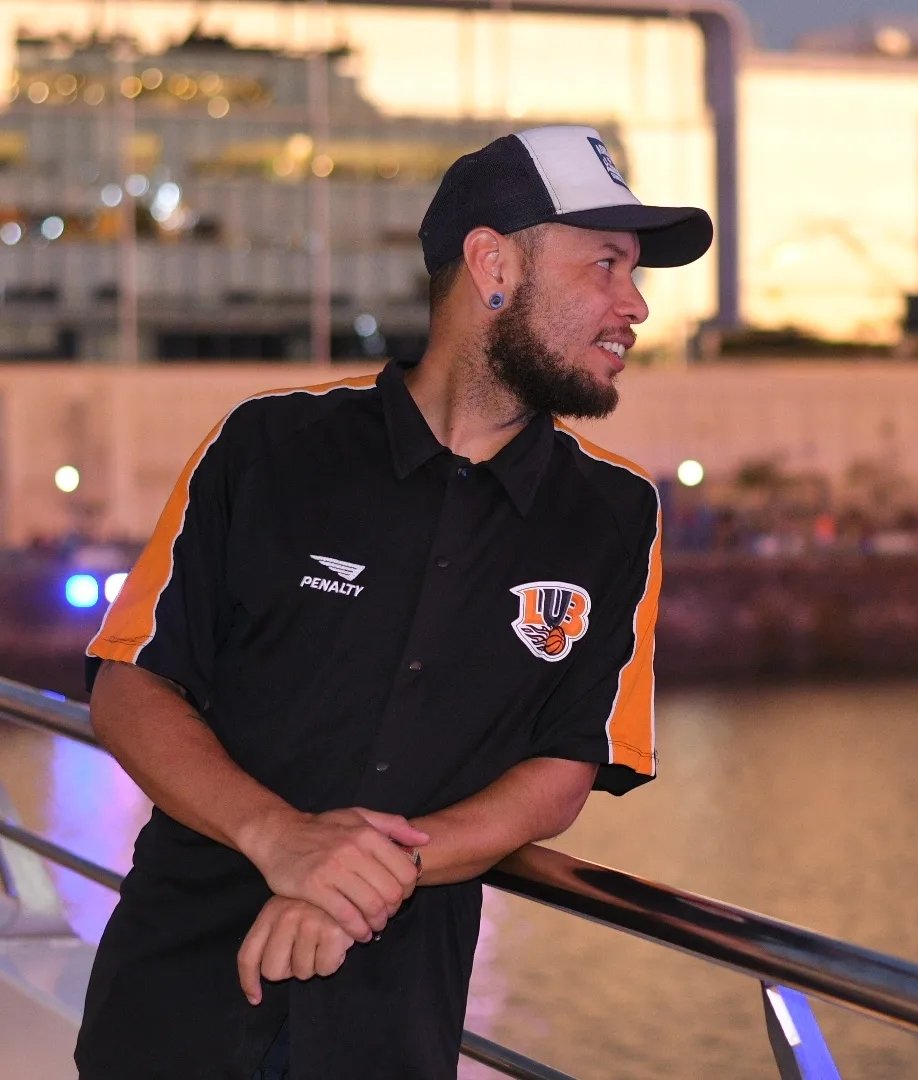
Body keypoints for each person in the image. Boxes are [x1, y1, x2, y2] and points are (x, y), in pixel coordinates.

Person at [76, 124, 713, 1079]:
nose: (636, 305)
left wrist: (362, 878)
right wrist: (282, 841)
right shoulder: (266, 448)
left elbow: (565, 766)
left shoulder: (614, 514)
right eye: (606, 265)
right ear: (493, 265)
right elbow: (131, 685)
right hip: (171, 1005)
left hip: (389, 1035)